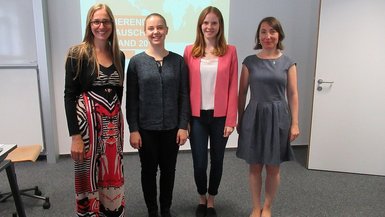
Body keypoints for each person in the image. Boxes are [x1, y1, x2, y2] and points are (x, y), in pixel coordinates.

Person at [125, 13, 190, 217]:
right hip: (146, 129)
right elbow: (132, 100)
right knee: (148, 171)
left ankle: (166, 209)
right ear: (145, 32)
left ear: (167, 30)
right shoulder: (136, 62)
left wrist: (183, 125)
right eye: (151, 28)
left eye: (160, 27)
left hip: (172, 128)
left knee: (169, 171)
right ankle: (152, 210)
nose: (156, 32)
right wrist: (133, 129)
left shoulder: (178, 61)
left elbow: (184, 95)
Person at [64, 3, 126, 216]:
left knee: (111, 173)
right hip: (86, 130)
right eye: (97, 21)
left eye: (106, 21)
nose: (102, 26)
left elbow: (119, 93)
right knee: (88, 175)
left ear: (112, 24)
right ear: (90, 24)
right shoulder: (77, 53)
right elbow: (69, 96)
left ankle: (112, 210)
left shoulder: (119, 55)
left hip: (112, 128)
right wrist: (75, 137)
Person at [236, 16, 299, 217]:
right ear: (259, 35)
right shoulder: (249, 62)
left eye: (272, 31)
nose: (268, 36)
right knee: (254, 167)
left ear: (279, 34)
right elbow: (242, 93)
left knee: (273, 167)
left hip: (278, 117)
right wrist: (240, 118)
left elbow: (293, 94)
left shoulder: (288, 63)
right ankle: (256, 207)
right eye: (263, 31)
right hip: (254, 116)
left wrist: (295, 123)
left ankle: (268, 207)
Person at [183, 6, 238, 217]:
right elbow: (185, 88)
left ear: (220, 26)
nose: (209, 27)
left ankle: (212, 199)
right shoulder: (190, 51)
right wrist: (184, 120)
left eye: (214, 23)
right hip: (196, 117)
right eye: (206, 23)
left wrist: (231, 119)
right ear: (200, 25)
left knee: (217, 160)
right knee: (199, 162)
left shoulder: (230, 51)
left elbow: (233, 87)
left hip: (220, 117)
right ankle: (201, 197)